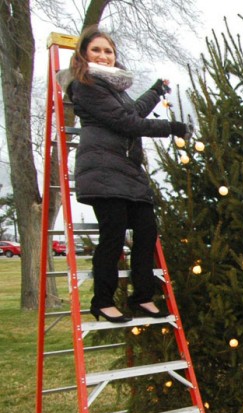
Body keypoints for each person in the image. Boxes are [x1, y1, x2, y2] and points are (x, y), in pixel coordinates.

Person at [62, 26, 190, 323]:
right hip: (103, 170)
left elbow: (132, 111)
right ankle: (102, 301)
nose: (103, 56)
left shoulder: (114, 88)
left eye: (108, 51)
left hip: (127, 170)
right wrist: (171, 128)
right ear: (83, 54)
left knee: (147, 230)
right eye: (96, 50)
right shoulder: (86, 84)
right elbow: (126, 122)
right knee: (114, 234)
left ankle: (142, 296)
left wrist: (156, 92)